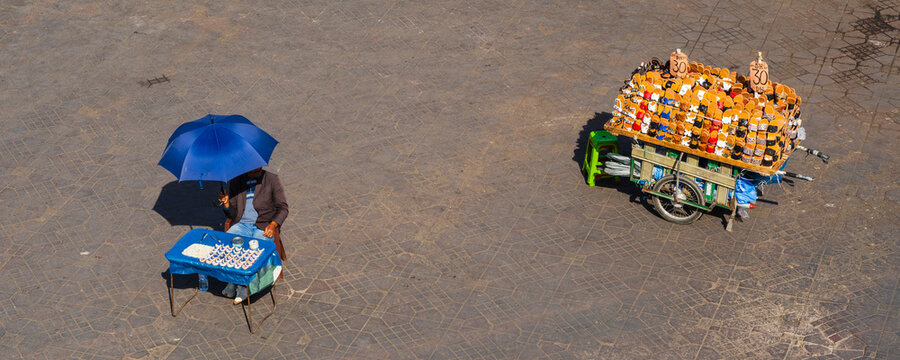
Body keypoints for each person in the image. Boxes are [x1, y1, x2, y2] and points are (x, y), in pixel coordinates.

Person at [217, 167, 288, 304]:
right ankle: (233, 281)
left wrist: (273, 225)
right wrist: (226, 204)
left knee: (256, 252)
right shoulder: (236, 181)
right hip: (241, 225)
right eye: (254, 171)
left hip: (262, 226)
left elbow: (283, 208)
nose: (258, 171)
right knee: (229, 244)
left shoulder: (272, 180)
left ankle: (245, 286)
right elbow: (232, 214)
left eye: (259, 169)